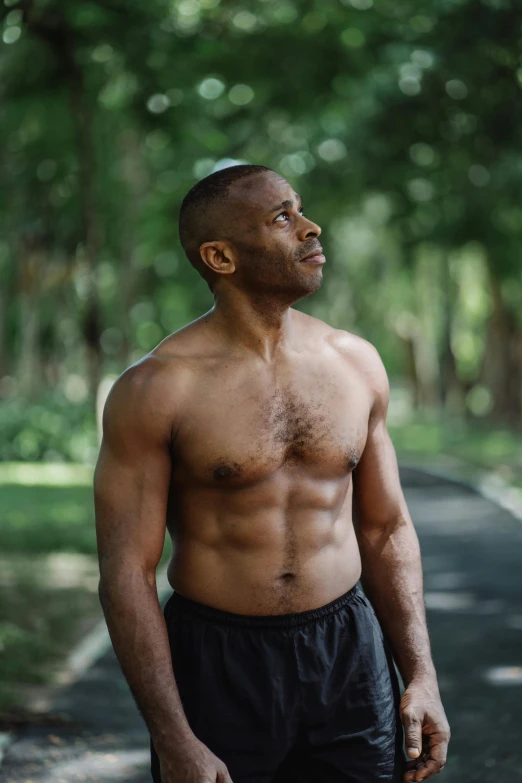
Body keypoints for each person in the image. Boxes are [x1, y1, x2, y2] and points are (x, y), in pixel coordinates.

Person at [93, 164, 450, 783]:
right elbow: (126, 572)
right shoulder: (156, 390)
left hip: (347, 650)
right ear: (220, 257)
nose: (311, 229)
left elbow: (387, 527)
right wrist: (174, 737)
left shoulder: (355, 363)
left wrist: (421, 676)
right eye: (282, 218)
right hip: (218, 660)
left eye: (301, 210)